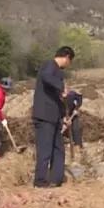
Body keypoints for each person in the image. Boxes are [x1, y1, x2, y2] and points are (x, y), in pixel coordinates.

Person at [32, 46, 75, 188]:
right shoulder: (50, 65)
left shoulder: (57, 72)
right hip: (45, 116)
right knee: (45, 149)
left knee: (58, 148)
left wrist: (64, 116)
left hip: (54, 117)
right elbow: (46, 77)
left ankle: (56, 179)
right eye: (70, 61)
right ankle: (40, 180)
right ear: (66, 57)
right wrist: (61, 87)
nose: (68, 65)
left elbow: (57, 98)